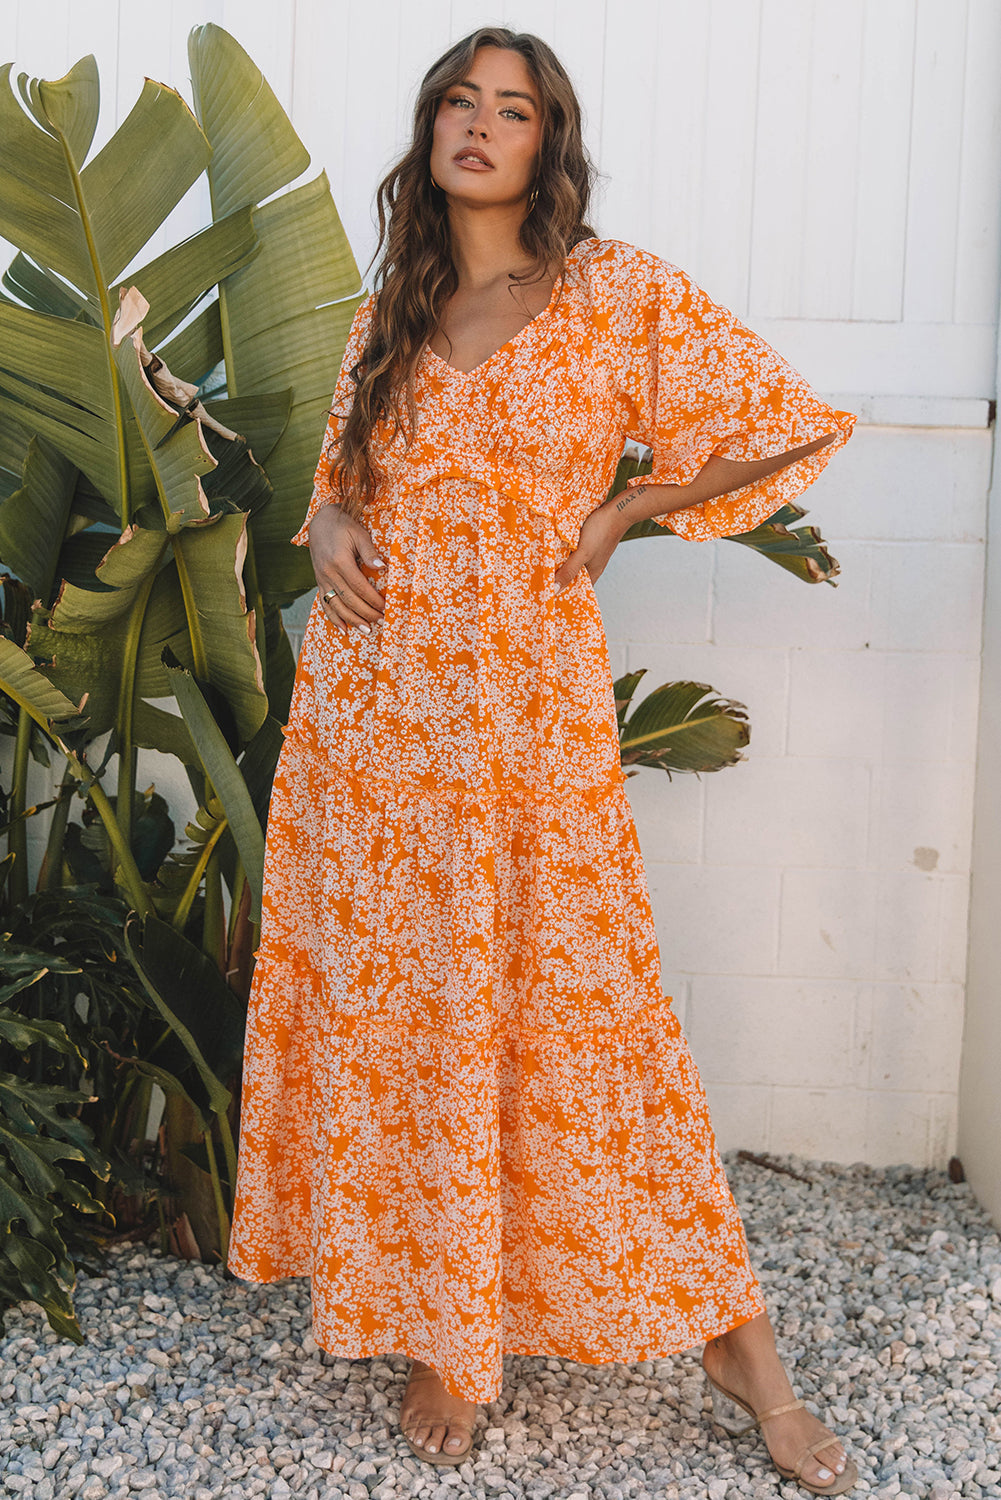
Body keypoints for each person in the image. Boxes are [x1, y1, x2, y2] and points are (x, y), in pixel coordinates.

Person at [226, 26, 858, 1497]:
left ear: (545, 143)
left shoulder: (611, 291)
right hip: (377, 724)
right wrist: (328, 523)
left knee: (590, 1011)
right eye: (460, 100)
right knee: (417, 1013)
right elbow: (335, 490)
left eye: (511, 109)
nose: (479, 124)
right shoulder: (392, 309)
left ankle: (741, 1349)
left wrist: (632, 504)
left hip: (525, 715)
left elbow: (783, 421)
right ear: (431, 128)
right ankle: (447, 1331)